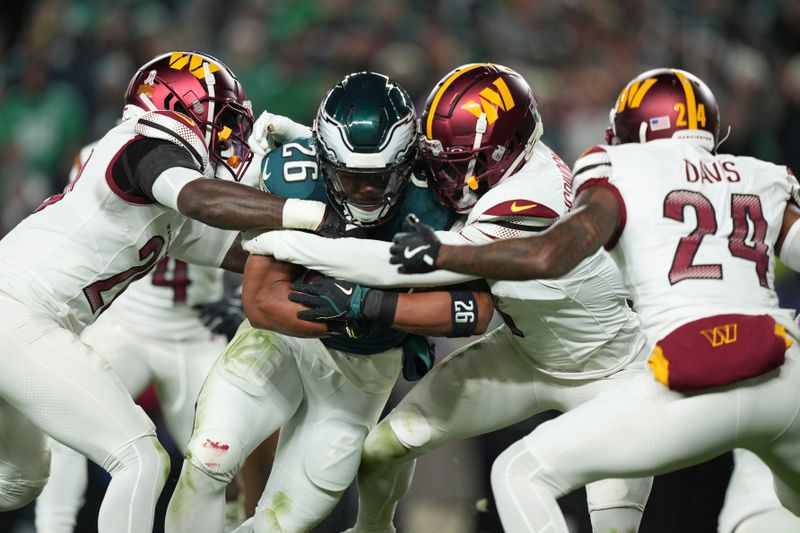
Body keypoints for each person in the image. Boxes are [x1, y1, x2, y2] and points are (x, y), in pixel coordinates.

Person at [242, 63, 653, 533]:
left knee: (608, 523)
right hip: (523, 353)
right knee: (381, 450)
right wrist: (307, 139)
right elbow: (390, 160)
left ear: (504, 151)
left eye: (455, 165)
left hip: (610, 375)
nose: (441, 176)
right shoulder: (498, 166)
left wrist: (286, 240)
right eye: (438, 160)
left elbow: (400, 261)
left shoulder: (527, 200)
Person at [388, 67, 800, 533]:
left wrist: (442, 252)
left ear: (635, 129)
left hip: (696, 371)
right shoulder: (761, 175)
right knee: (777, 505)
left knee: (518, 472)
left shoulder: (621, 166)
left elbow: (551, 253)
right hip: (783, 364)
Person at [0, 50, 331, 533]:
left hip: (22, 316)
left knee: (18, 479)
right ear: (186, 107)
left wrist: (340, 254)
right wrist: (314, 216)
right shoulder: (141, 147)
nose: (230, 138)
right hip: (19, 313)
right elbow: (200, 197)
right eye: (224, 123)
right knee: (140, 459)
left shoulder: (161, 196)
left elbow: (243, 251)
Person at [164, 71, 494, 533]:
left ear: (407, 164)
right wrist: (358, 315)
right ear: (324, 158)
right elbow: (261, 300)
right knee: (207, 460)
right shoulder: (296, 174)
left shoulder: (442, 195)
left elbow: (474, 310)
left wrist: (370, 307)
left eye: (379, 177)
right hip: (282, 343)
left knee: (284, 521)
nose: (365, 191)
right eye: (351, 176)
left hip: (363, 372)